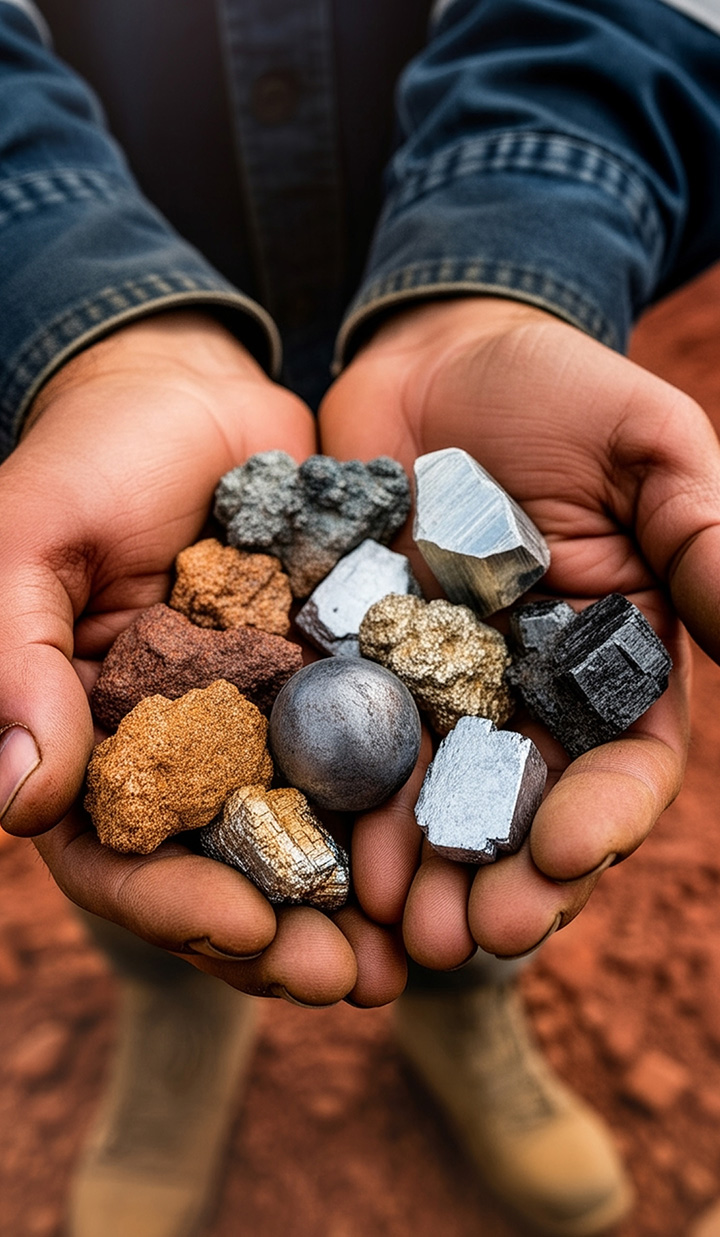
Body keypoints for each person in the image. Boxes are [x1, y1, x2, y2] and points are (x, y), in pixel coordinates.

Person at [1, 0, 720, 1232]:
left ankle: (467, 1005)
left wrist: (510, 264)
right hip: (119, 236)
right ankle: (172, 1010)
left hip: (448, 210)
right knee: (117, 815)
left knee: (479, 888)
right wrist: (85, 325)